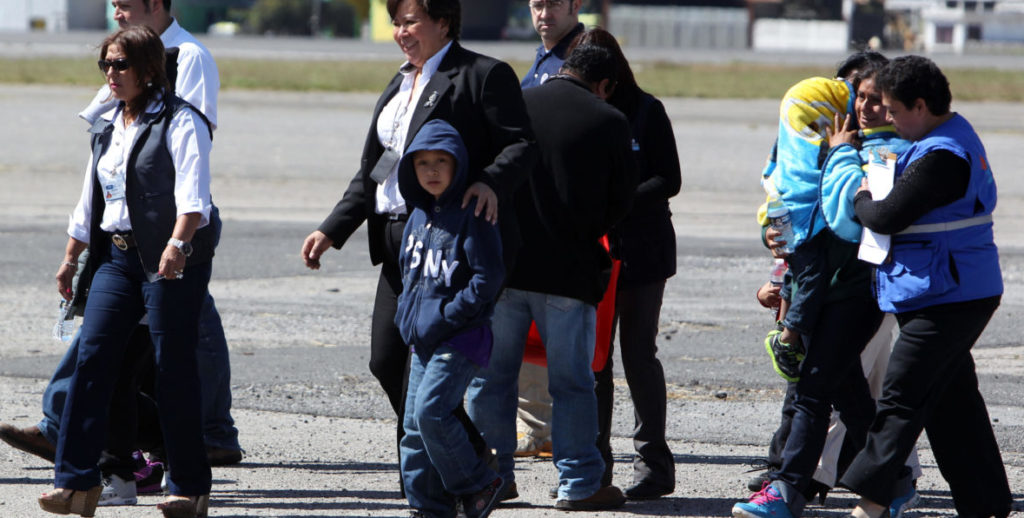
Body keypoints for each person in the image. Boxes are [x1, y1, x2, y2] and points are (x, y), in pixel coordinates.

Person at [300, 0, 536, 492]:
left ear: (443, 21)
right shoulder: (400, 82)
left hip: (451, 247)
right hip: (399, 245)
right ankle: (471, 461)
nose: (399, 31)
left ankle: (439, 485)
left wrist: (490, 181)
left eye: (409, 20)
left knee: (424, 375)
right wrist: (332, 229)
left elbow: (521, 144)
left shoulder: (481, 75)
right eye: (395, 22)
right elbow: (378, 168)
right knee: (386, 361)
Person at [0, 0, 241, 478]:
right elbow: (102, 142)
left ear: (156, 6)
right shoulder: (125, 67)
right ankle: (84, 452)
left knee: (171, 343)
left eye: (125, 4)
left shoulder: (185, 58)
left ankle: (202, 442)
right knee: (113, 343)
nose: (116, 13)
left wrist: (178, 234)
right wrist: (75, 248)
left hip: (169, 223)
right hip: (129, 226)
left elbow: (193, 138)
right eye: (112, 5)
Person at [37, 25, 213, 518]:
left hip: (169, 257)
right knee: (92, 359)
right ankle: (75, 484)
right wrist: (71, 257)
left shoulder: (181, 120)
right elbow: (89, 200)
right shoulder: (108, 124)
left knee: (172, 368)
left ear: (149, 70)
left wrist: (178, 245)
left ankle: (189, 487)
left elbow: (194, 198)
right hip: (115, 257)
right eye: (106, 65)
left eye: (120, 65)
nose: (111, 74)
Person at [838, 55, 1012, 518]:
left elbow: (883, 215)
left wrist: (859, 192)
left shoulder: (943, 156)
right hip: (944, 289)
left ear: (921, 105)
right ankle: (987, 505)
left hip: (949, 297)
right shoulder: (943, 136)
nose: (887, 119)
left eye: (893, 110)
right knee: (953, 404)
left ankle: (871, 504)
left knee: (900, 398)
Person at [466, 43, 636, 511]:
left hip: (507, 267)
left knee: (491, 379)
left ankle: (492, 477)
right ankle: (578, 483)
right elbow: (623, 200)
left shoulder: (520, 104)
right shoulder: (609, 120)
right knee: (571, 383)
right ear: (604, 86)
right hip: (570, 272)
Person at [732, 71, 885, 518]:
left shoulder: (870, 155)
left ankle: (788, 490)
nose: (862, 106)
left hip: (854, 293)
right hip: (827, 294)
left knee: (812, 392)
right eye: (858, 96)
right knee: (851, 398)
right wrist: (773, 236)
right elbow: (784, 206)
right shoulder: (810, 146)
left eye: (873, 98)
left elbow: (848, 223)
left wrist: (793, 325)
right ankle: (894, 481)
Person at [570, 28, 680, 501]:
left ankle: (655, 463)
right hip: (593, 251)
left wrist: (618, 204)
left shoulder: (647, 111)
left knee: (638, 355)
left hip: (643, 248)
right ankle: (597, 467)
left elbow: (669, 178)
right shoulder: (577, 111)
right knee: (596, 362)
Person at [395, 119, 506, 518]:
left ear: (458, 165)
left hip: (461, 337)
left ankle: (479, 484)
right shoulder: (417, 215)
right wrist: (407, 317)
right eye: (423, 163)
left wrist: (446, 315)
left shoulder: (472, 213)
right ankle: (428, 507)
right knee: (412, 429)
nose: (433, 171)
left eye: (442, 161)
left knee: (432, 412)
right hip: (423, 338)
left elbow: (487, 277)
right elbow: (411, 275)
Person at [514, 0, 584, 462]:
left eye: (555, 3)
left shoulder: (583, 53)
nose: (545, 13)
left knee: (560, 339)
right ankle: (539, 429)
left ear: (577, 5)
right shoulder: (543, 57)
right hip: (530, 215)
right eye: (538, 3)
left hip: (564, 219)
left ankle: (563, 435)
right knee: (526, 337)